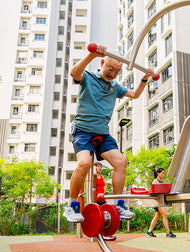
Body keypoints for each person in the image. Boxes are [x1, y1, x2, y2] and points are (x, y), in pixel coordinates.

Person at [64, 44, 155, 223]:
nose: (112, 73)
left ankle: (118, 205)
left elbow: (134, 94)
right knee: (84, 163)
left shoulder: (115, 86)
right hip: (82, 130)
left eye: (116, 71)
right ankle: (72, 205)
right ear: (102, 62)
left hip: (102, 133)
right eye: (110, 68)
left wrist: (145, 79)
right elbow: (74, 73)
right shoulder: (88, 78)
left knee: (121, 162)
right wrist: (91, 54)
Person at [146, 168, 176, 238]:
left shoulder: (160, 181)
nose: (163, 174)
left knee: (157, 216)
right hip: (158, 201)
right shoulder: (155, 181)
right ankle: (168, 233)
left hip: (160, 200)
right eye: (162, 173)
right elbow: (153, 192)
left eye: (164, 173)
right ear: (158, 173)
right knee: (165, 215)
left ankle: (149, 231)